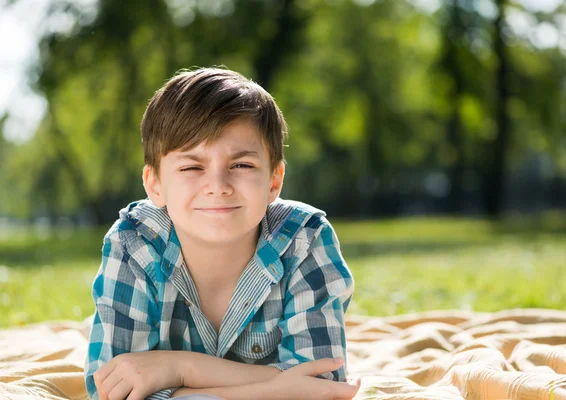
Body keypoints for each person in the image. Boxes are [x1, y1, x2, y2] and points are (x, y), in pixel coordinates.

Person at [84, 67, 360, 400]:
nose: (217, 186)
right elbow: (113, 390)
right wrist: (276, 388)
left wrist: (179, 368)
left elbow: (322, 386)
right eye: (191, 167)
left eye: (241, 165)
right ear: (154, 184)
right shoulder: (133, 243)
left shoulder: (304, 239)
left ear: (274, 180)